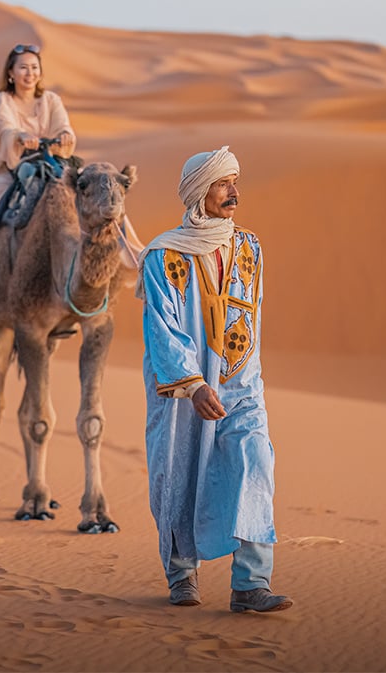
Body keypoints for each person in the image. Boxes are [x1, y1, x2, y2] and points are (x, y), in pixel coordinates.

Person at [137, 145, 293, 613]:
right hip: (184, 392)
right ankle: (182, 573)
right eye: (224, 183)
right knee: (180, 473)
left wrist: (241, 379)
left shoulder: (250, 247)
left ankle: (251, 583)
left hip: (242, 384)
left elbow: (253, 319)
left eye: (235, 182)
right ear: (200, 190)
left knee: (253, 465)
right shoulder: (163, 255)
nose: (234, 192)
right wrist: (192, 382)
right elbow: (160, 328)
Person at [0, 43, 142, 288]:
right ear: (11, 73)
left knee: (102, 189)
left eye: (34, 68)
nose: (29, 73)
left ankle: (133, 253)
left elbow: (63, 125)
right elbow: (4, 127)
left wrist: (64, 135)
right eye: (23, 68)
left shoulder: (50, 100)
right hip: (18, 167)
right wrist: (19, 136)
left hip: (55, 164)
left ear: (40, 72)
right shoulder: (3, 100)